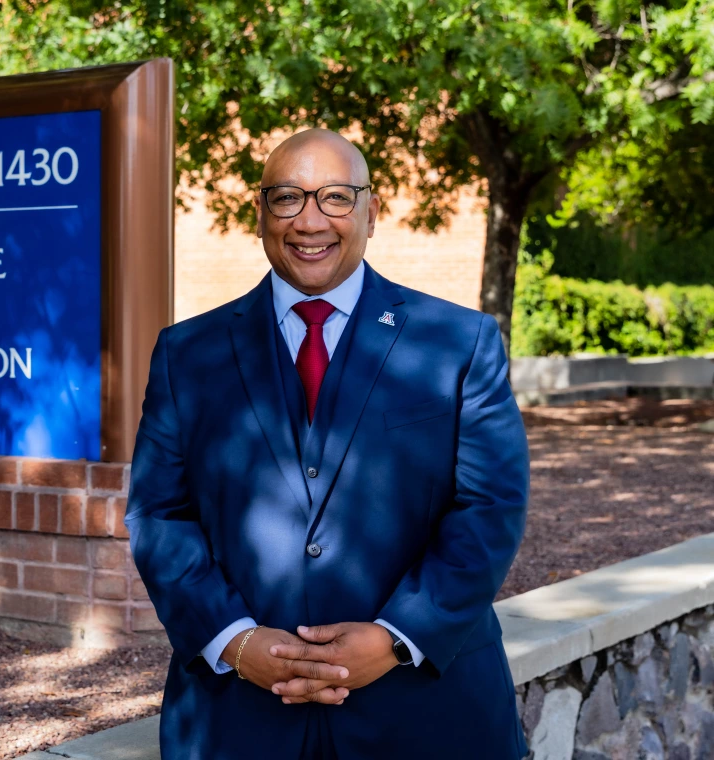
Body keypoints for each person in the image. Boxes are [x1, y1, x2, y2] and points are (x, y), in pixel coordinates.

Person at [125, 129, 529, 759]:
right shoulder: (186, 354)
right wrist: (233, 641)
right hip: (239, 719)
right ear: (260, 212)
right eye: (288, 198)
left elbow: (490, 508)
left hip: (428, 714)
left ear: (372, 210)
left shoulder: (459, 343)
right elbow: (159, 514)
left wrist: (397, 636)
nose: (310, 221)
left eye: (336, 197)